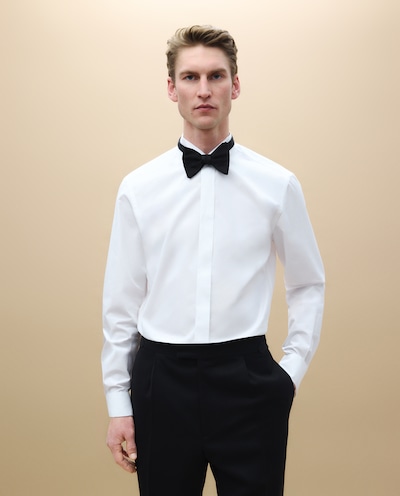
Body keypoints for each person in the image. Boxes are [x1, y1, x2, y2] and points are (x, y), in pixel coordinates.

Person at [102, 25, 325, 496]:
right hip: (161, 381)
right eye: (190, 77)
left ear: (235, 85)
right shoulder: (138, 188)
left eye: (216, 76)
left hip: (247, 381)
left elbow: (307, 283)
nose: (203, 90)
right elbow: (121, 302)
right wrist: (118, 402)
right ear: (172, 88)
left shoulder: (277, 184)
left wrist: (289, 373)